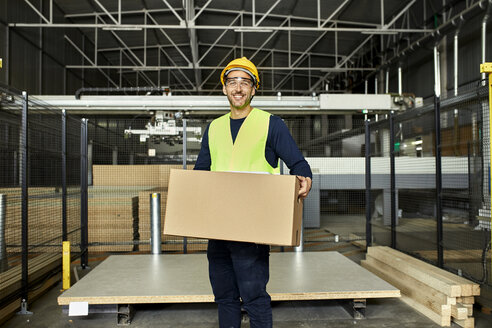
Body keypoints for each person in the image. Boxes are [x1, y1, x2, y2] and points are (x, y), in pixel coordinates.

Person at [194, 57, 312, 328]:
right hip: (219, 227)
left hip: (253, 229)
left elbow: (298, 164)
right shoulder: (213, 128)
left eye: (245, 82)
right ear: (224, 89)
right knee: (224, 296)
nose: (238, 88)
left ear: (254, 89)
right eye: (232, 82)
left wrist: (306, 180)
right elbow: (201, 171)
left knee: (254, 296)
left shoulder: (272, 124)